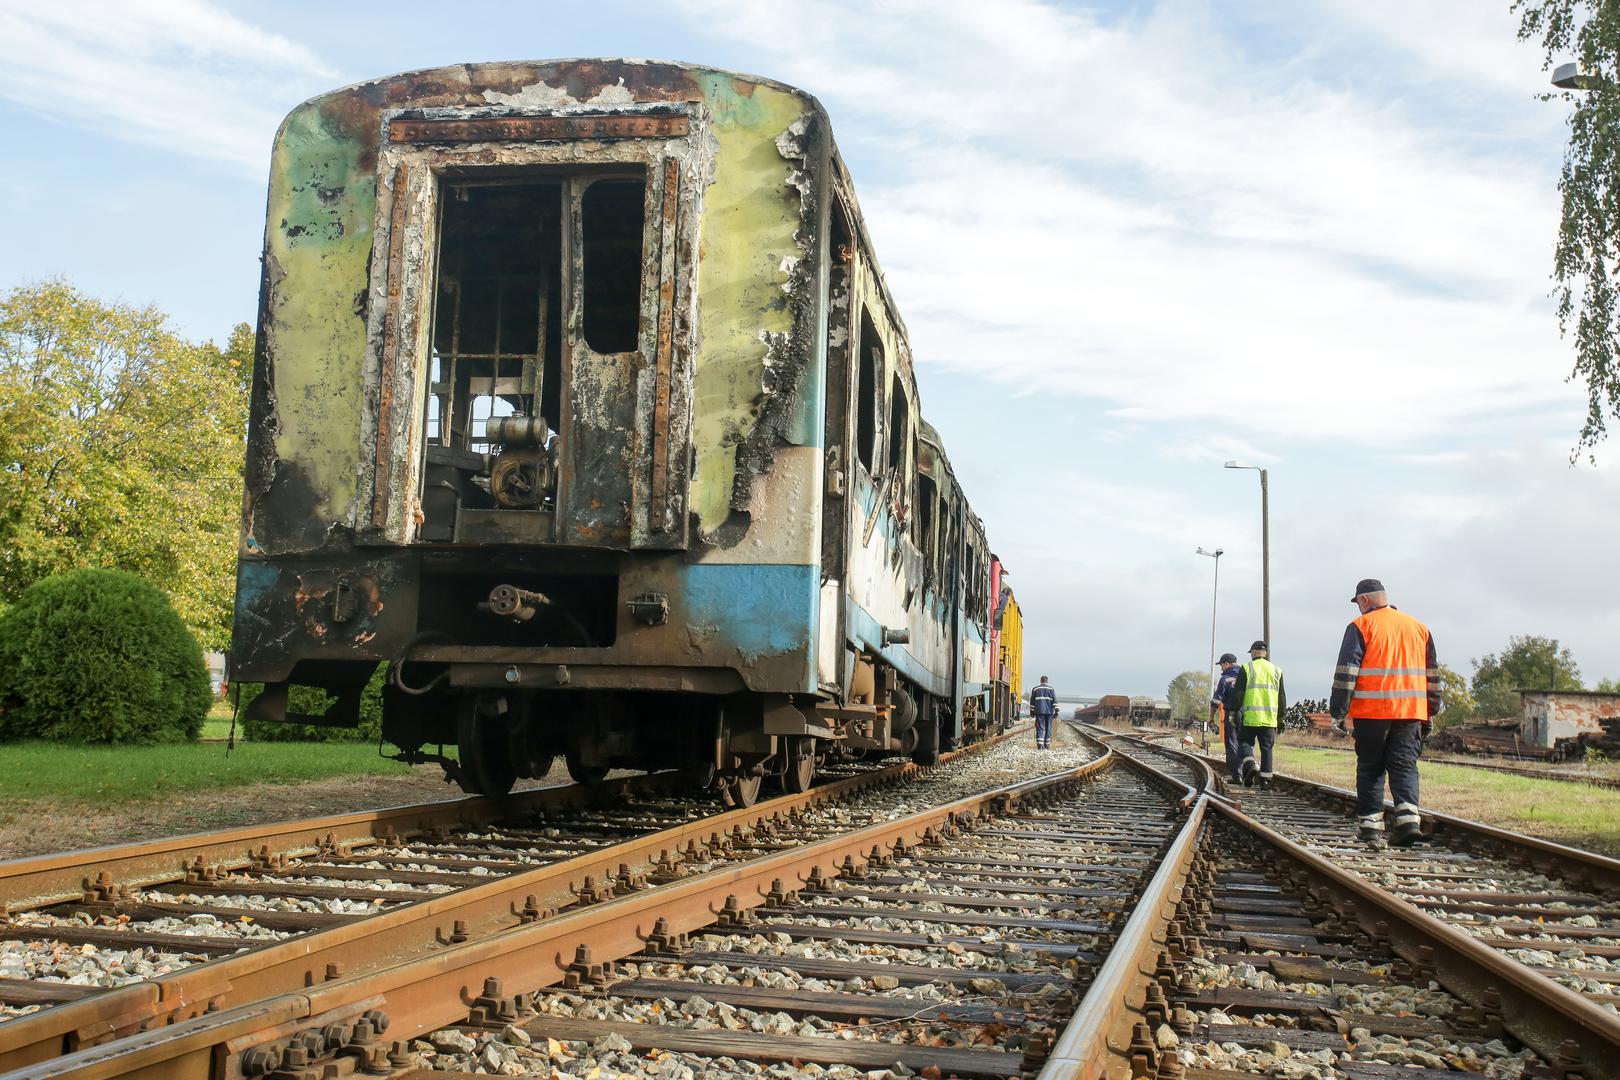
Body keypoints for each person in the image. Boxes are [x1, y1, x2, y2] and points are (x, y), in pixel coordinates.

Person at [1330, 579, 1440, 846]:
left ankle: (1370, 828)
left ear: (1364, 600)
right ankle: (1408, 822)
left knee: (1371, 768)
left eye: (1358, 603)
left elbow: (1347, 673)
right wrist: (1431, 709)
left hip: (1373, 712)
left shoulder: (1361, 626)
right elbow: (1432, 675)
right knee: (1404, 765)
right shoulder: (1419, 628)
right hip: (1411, 712)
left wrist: (1338, 711)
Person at [1228, 640, 1285, 787]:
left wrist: (1233, 712)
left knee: (1244, 742)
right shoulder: (1277, 670)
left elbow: (1239, 693)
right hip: (1269, 719)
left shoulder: (1247, 668)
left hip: (1251, 717)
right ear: (1265, 653)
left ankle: (1250, 764)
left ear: (1253, 653)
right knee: (1267, 749)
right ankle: (1265, 780)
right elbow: (1281, 697)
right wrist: (1281, 718)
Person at [1209, 653, 1242, 781]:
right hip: (1247, 714)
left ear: (1226, 664)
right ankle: (1247, 770)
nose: (1221, 669)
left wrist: (1211, 718)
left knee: (1232, 742)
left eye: (1221, 666)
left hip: (1232, 714)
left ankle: (1237, 775)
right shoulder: (1246, 676)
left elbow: (1216, 702)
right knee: (1245, 742)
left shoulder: (1225, 679)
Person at [1030, 676, 1057, 749]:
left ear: (1040, 681)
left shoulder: (1035, 689)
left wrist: (1032, 711)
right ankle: (1047, 744)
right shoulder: (1051, 689)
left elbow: (1032, 702)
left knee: (1040, 727)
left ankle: (1040, 744)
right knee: (1049, 727)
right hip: (1049, 712)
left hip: (1039, 711)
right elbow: (1054, 700)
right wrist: (1056, 710)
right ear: (1047, 681)